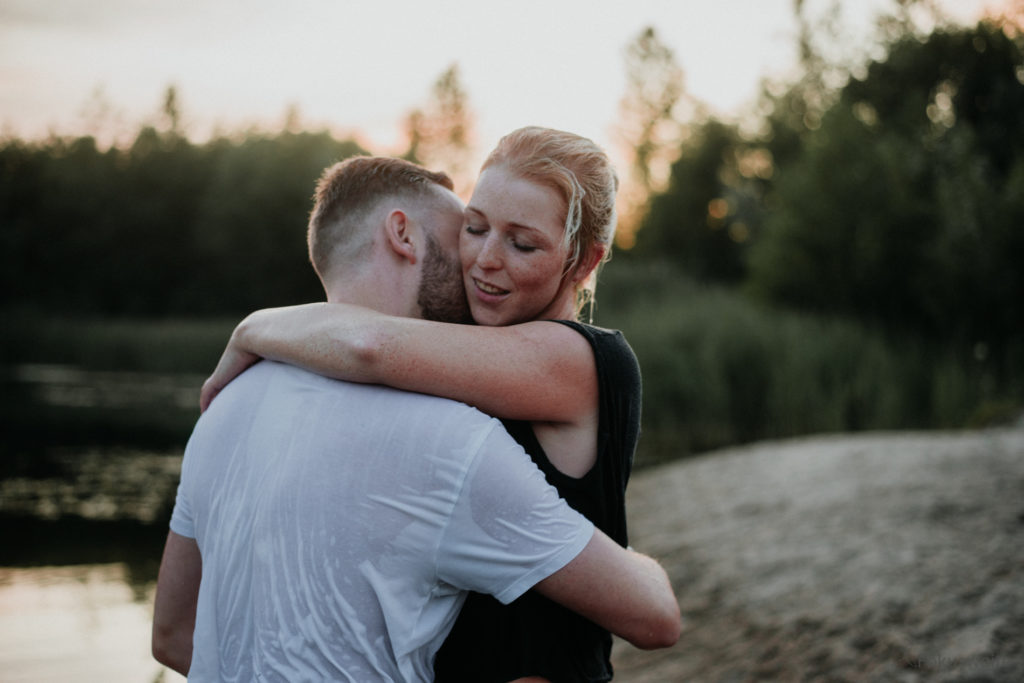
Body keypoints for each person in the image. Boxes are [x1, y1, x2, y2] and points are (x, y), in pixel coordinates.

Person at [151, 155, 680, 681]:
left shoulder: (225, 411)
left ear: (583, 262)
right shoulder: (448, 430)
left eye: (520, 242)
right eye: (469, 232)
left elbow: (174, 638)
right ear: (402, 235)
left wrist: (251, 329)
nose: (479, 261)